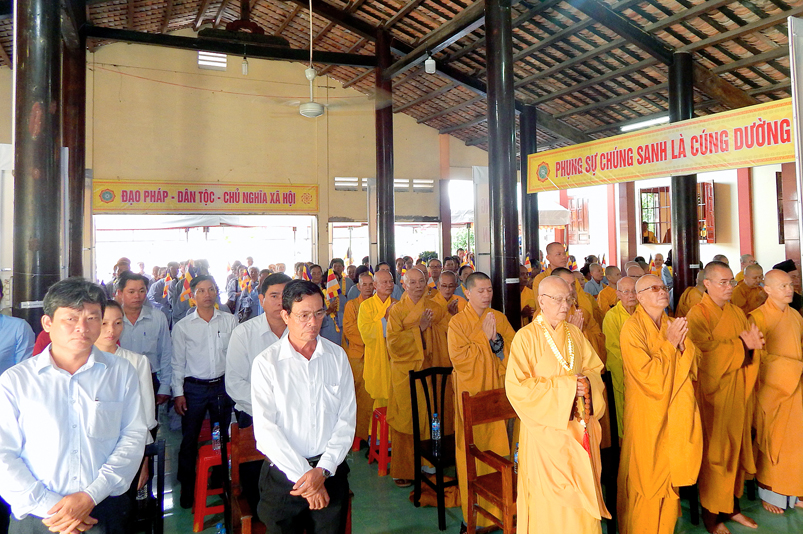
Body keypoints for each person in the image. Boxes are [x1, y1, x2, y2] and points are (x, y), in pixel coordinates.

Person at [0, 278, 147, 534]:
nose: (82, 327)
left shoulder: (121, 373)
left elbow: (133, 435)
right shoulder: (16, 381)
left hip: (103, 509)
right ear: (48, 323)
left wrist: (91, 495)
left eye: (92, 318)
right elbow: (4, 454)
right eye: (71, 318)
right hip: (39, 516)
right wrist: (56, 509)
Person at [506, 276, 610, 532]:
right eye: (558, 299)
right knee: (550, 507)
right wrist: (568, 388)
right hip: (545, 436)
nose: (565, 305)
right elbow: (518, 389)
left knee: (582, 508)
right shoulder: (525, 338)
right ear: (541, 301)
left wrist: (587, 383)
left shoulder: (574, 333)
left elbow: (594, 369)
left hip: (578, 431)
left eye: (568, 299)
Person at [251, 280, 356, 534]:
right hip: (283, 479)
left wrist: (323, 471)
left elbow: (346, 420)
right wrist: (306, 479)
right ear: (285, 315)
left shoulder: (337, 357)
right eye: (304, 315)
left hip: (329, 473)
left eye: (319, 313)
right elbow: (266, 431)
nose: (313, 322)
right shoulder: (267, 363)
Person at [617, 274, 702, 534]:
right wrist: (671, 344)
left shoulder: (672, 324)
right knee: (647, 476)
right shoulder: (631, 328)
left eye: (663, 287)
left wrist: (683, 347)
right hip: (647, 413)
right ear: (639, 297)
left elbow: (693, 367)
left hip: (673, 412)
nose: (662, 291)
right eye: (654, 288)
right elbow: (646, 376)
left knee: (668, 472)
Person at [686, 261, 762, 533]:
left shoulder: (736, 312)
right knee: (716, 455)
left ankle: (732, 507)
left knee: (736, 452)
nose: (729, 287)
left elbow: (750, 348)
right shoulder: (698, 314)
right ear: (707, 283)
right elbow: (702, 354)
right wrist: (742, 345)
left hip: (738, 391)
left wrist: (752, 348)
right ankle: (712, 515)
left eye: (731, 281)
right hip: (713, 397)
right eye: (723, 282)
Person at [448, 272, 515, 531]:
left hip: (498, 396)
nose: (486, 295)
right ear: (467, 293)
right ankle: (472, 517)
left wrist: (497, 343)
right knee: (471, 454)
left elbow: (513, 351)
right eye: (480, 291)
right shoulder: (457, 323)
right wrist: (483, 338)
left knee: (500, 451)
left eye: (489, 290)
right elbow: (460, 360)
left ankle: (501, 511)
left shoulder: (498, 318)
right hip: (472, 398)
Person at [171, 275, 238, 509]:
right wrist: (178, 393)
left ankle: (218, 479)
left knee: (220, 436)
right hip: (194, 389)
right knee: (190, 438)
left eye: (211, 289)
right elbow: (177, 362)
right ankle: (187, 486)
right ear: (192, 296)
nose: (207, 294)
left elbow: (236, 356)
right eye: (201, 291)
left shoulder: (230, 321)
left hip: (221, 387)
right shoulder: (183, 327)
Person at [748, 269, 803, 514]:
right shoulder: (757, 317)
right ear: (767, 289)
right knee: (775, 443)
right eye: (783, 286)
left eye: (790, 285)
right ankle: (770, 493)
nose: (789, 289)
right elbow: (757, 358)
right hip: (773, 391)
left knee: (797, 443)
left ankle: (797, 491)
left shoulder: (795, 316)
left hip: (797, 388)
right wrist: (794, 369)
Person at [95, 299, 157, 502]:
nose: (111, 330)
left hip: (127, 451)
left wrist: (144, 460)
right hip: (92, 452)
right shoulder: (81, 362)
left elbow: (146, 417)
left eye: (118, 323)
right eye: (104, 323)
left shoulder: (137, 362)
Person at [385, 267, 440, 487]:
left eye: (421, 281)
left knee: (429, 417)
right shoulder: (397, 311)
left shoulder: (434, 307)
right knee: (405, 420)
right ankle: (404, 469)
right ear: (404, 285)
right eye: (413, 282)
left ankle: (428, 464)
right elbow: (393, 345)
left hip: (428, 370)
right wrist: (419, 329)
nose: (418, 286)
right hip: (404, 373)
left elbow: (444, 332)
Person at [118, 271, 173, 407]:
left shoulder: (158, 317)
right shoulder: (111, 319)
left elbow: (166, 353)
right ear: (120, 293)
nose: (137, 296)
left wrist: (165, 386)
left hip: (149, 379)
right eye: (131, 292)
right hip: (118, 380)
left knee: (149, 419)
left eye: (142, 291)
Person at [601, 276, 638, 440]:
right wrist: (632, 369)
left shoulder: (643, 312)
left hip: (645, 371)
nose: (631, 295)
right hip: (623, 370)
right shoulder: (612, 316)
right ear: (618, 294)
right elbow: (613, 348)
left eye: (634, 291)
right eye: (626, 291)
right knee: (626, 411)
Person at [341, 272, 375, 445]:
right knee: (357, 396)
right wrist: (373, 340)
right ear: (359, 287)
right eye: (364, 284)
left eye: (371, 284)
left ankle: (371, 434)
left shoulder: (377, 304)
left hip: (376, 356)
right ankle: (357, 435)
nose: (368, 288)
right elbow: (350, 330)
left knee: (373, 397)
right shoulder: (352, 305)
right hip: (358, 355)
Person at [357, 270, 397, 411]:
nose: (389, 285)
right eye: (384, 282)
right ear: (375, 285)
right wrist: (384, 319)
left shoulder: (398, 305)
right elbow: (366, 333)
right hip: (377, 357)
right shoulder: (366, 306)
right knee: (379, 403)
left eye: (391, 281)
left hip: (394, 358)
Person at [147, 261, 178, 326]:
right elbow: (153, 300)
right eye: (173, 268)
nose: (175, 271)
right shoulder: (159, 284)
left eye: (177, 268)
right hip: (161, 313)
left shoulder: (178, 283)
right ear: (168, 269)